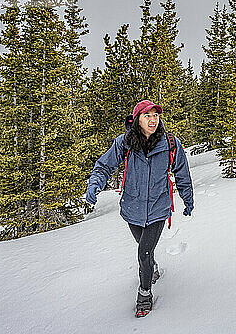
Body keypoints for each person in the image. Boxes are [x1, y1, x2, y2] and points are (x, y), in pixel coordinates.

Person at [85, 100, 194, 317]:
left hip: (158, 207)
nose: (153, 120)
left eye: (156, 115)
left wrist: (187, 199)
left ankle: (144, 294)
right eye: (147, 116)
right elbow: (104, 165)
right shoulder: (124, 143)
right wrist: (94, 184)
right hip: (132, 207)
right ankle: (152, 268)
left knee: (143, 252)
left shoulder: (170, 144)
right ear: (137, 120)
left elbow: (182, 172)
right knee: (144, 247)